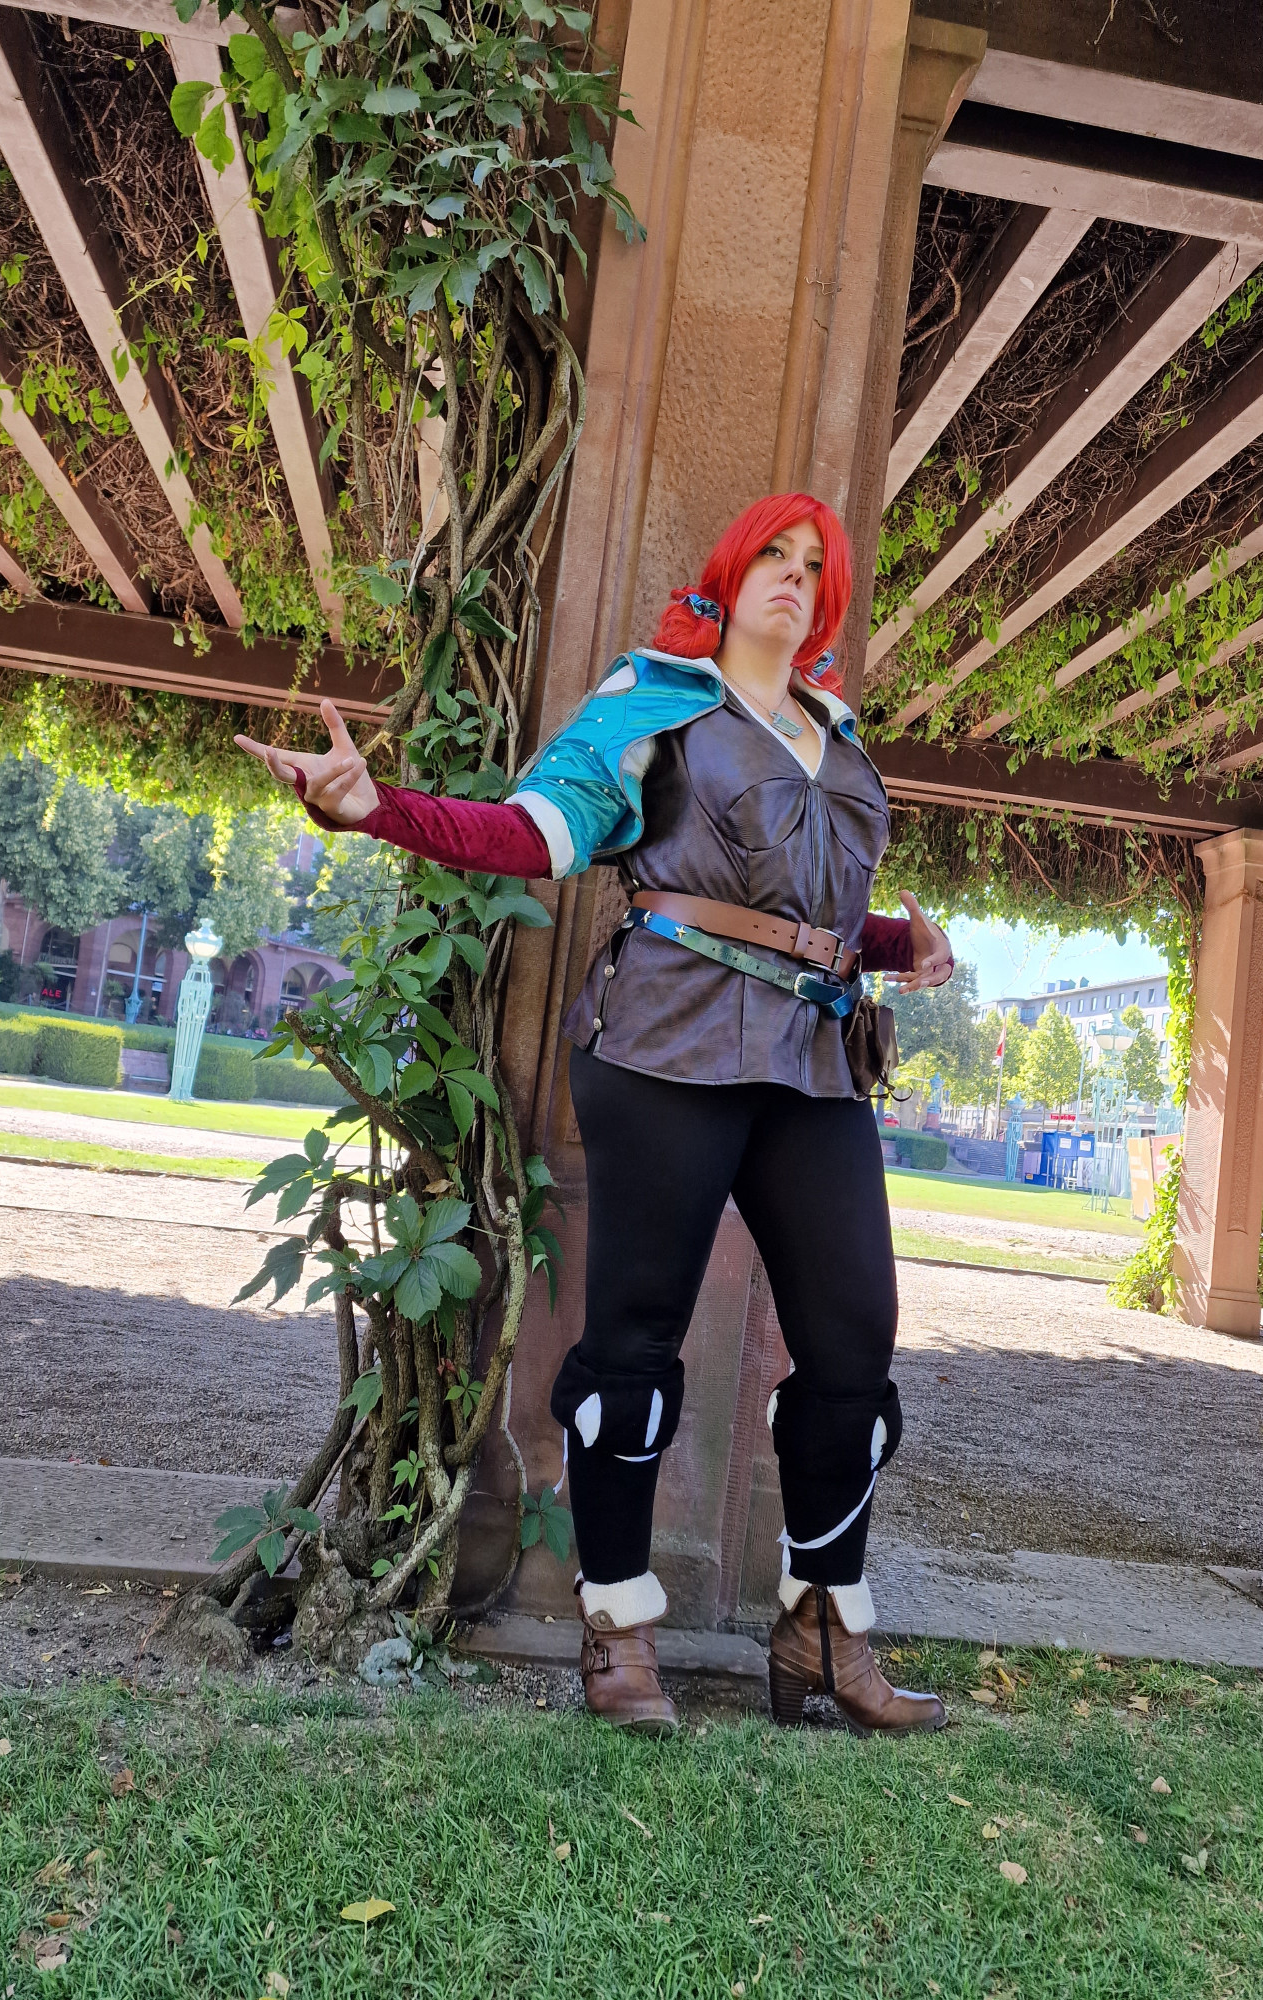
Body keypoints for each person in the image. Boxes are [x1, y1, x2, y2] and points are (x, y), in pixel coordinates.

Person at [237, 493, 955, 1738]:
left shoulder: (837, 735)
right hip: (667, 1043)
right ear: (729, 576)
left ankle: (820, 1631)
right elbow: (535, 834)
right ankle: (617, 1625)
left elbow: (803, 906)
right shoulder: (656, 702)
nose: (793, 575)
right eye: (772, 555)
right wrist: (375, 808)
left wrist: (895, 942)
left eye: (814, 563)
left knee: (856, 1340)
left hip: (813, 1059)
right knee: (633, 1338)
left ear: (827, 600)